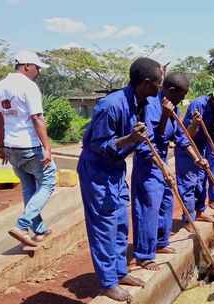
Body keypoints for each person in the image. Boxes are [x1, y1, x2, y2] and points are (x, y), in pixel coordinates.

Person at [77, 57, 163, 302]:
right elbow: (98, 145)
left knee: (119, 223)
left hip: (116, 170)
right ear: (146, 83)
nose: (160, 87)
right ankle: (107, 282)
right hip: (97, 171)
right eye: (159, 83)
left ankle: (120, 271)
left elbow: (144, 139)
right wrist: (129, 139)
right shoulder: (110, 105)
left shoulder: (142, 102)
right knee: (104, 226)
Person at [0, 50, 56, 248]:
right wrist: (47, 148)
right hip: (30, 145)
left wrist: (1, 144)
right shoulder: (28, 87)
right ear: (26, 66)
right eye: (37, 68)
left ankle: (39, 230)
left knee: (29, 186)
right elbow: (37, 118)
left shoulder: (0, 86)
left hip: (11, 147)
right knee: (48, 183)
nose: (38, 72)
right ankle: (22, 226)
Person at [131, 72, 191, 271]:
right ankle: (144, 255)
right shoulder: (150, 105)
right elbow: (148, 141)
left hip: (163, 161)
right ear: (171, 90)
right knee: (148, 208)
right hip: (148, 163)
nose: (183, 99)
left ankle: (161, 242)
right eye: (181, 95)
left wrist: (196, 156)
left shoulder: (173, 106)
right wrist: (165, 115)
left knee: (166, 202)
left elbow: (180, 137)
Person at [175, 86, 214, 231]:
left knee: (201, 181)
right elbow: (187, 134)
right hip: (187, 149)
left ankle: (200, 211)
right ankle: (188, 218)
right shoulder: (198, 105)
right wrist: (195, 123)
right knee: (189, 184)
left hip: (201, 148)